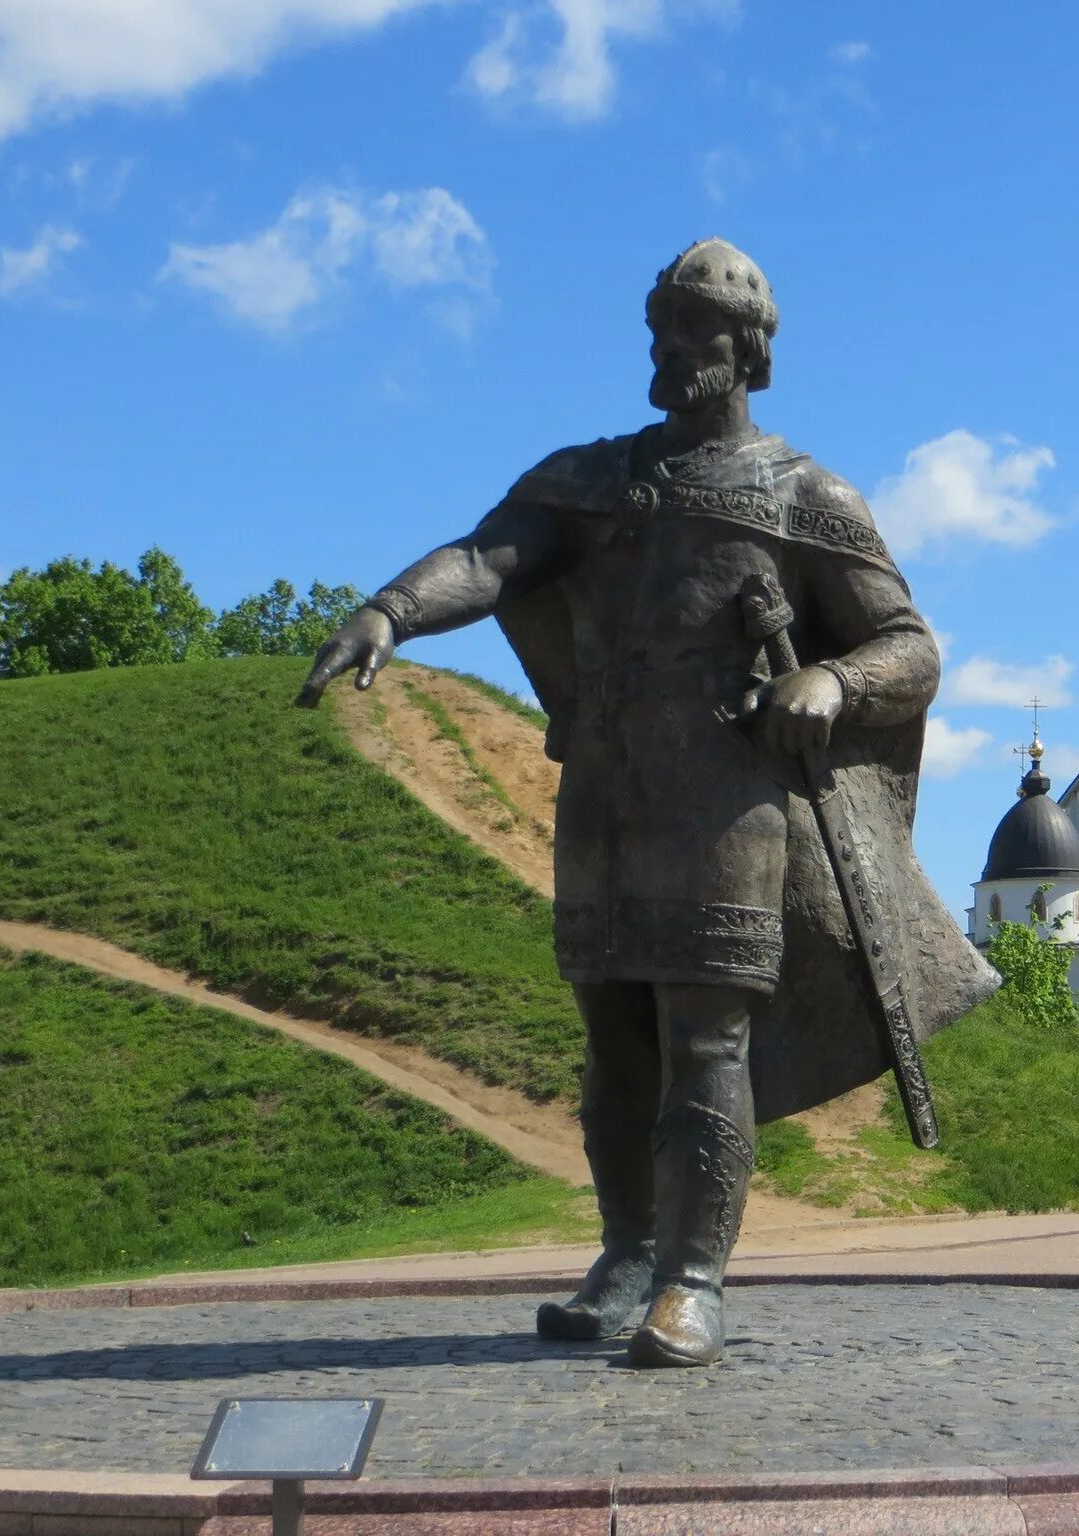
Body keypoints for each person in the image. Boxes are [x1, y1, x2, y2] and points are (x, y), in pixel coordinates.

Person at [297, 239, 995, 1366]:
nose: (671, 350)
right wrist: (389, 609)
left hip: (727, 805)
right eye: (660, 328)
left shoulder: (804, 497)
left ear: (749, 350)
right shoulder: (591, 481)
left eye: (697, 330)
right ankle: (626, 1255)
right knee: (612, 1043)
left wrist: (832, 677)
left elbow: (906, 646)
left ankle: (693, 1281)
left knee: (704, 1039)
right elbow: (488, 558)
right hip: (609, 792)